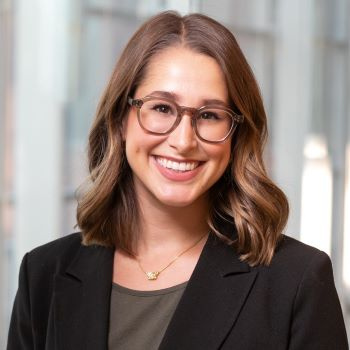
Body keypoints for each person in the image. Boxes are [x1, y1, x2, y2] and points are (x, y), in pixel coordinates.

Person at [7, 11, 349, 350]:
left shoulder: (297, 280)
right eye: (161, 108)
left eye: (210, 115)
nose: (184, 141)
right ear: (122, 120)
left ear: (236, 135)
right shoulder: (43, 274)